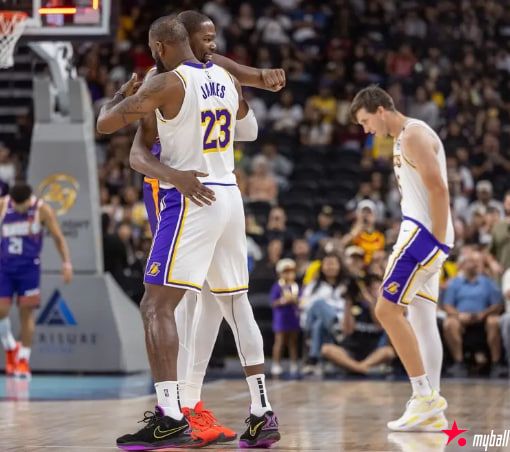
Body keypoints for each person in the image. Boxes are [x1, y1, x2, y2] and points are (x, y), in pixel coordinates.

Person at [97, 17, 280, 450]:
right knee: (235, 304)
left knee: (155, 304)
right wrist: (260, 76)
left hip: (191, 195)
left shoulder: (165, 84)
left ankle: (170, 415)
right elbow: (248, 126)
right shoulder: (225, 77)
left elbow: (105, 124)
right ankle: (262, 412)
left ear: (160, 47)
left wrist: (120, 97)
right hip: (229, 192)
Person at [350, 85, 453, 432]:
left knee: (386, 310)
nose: (366, 130)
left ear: (380, 110)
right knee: (423, 319)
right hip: (426, 233)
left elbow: (438, 188)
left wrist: (436, 239)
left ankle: (424, 396)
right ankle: (432, 408)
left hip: (424, 235)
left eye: (366, 121)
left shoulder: (413, 135)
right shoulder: (402, 137)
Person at [0, 183, 73, 378]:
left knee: (26, 314)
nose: (17, 208)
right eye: (15, 204)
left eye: (21, 205)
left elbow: (58, 238)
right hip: (4, 267)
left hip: (29, 269)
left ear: (29, 200)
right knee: (1, 310)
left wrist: (66, 263)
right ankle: (10, 346)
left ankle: (23, 360)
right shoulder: (4, 205)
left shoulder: (42, 210)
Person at [442, 249, 504, 378]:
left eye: (477, 262)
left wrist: (483, 314)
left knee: (494, 321)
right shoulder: (454, 283)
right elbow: (447, 305)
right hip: (461, 319)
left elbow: (497, 305)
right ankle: (459, 362)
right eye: (471, 261)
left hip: (483, 318)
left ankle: (496, 363)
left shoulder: (487, 282)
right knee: (449, 323)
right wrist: (458, 315)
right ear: (463, 264)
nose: (475, 264)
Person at [270, 258, 301, 377]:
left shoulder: (296, 287)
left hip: (293, 317)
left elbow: (301, 300)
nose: (289, 275)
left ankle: (294, 363)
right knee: (280, 341)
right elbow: (273, 302)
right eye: (285, 272)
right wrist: (283, 301)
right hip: (281, 318)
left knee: (293, 342)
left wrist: (295, 300)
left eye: (291, 272)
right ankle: (276, 364)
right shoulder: (277, 287)